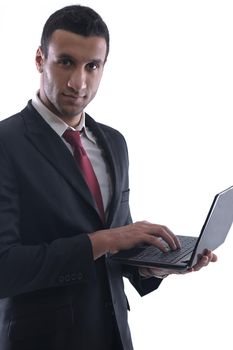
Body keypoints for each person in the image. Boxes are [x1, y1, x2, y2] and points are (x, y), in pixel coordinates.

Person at [0, 5, 217, 350]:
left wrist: (154, 267)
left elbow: (118, 247)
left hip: (114, 337)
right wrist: (107, 239)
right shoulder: (6, 143)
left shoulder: (114, 143)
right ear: (40, 59)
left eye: (92, 66)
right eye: (66, 62)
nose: (78, 82)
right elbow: (5, 268)